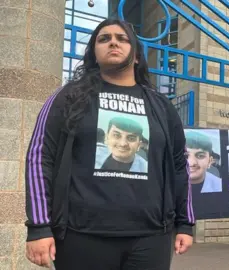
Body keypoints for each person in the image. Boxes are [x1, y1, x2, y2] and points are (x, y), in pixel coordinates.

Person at [24, 19, 194, 270]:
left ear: (136, 56)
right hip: (80, 236)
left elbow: (180, 165)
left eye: (121, 38)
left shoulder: (162, 106)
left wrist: (185, 223)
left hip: (151, 238)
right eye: (104, 39)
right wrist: (39, 226)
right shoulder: (68, 97)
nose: (113, 41)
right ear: (94, 53)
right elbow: (40, 158)